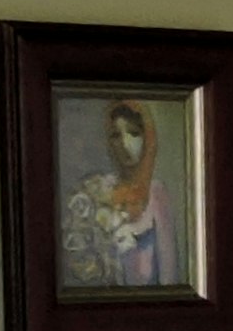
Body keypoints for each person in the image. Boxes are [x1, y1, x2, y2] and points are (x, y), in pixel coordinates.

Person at [62, 98, 172, 290]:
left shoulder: (157, 193)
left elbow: (169, 272)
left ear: (147, 138)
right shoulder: (96, 189)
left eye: (134, 133)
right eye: (115, 135)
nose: (124, 143)